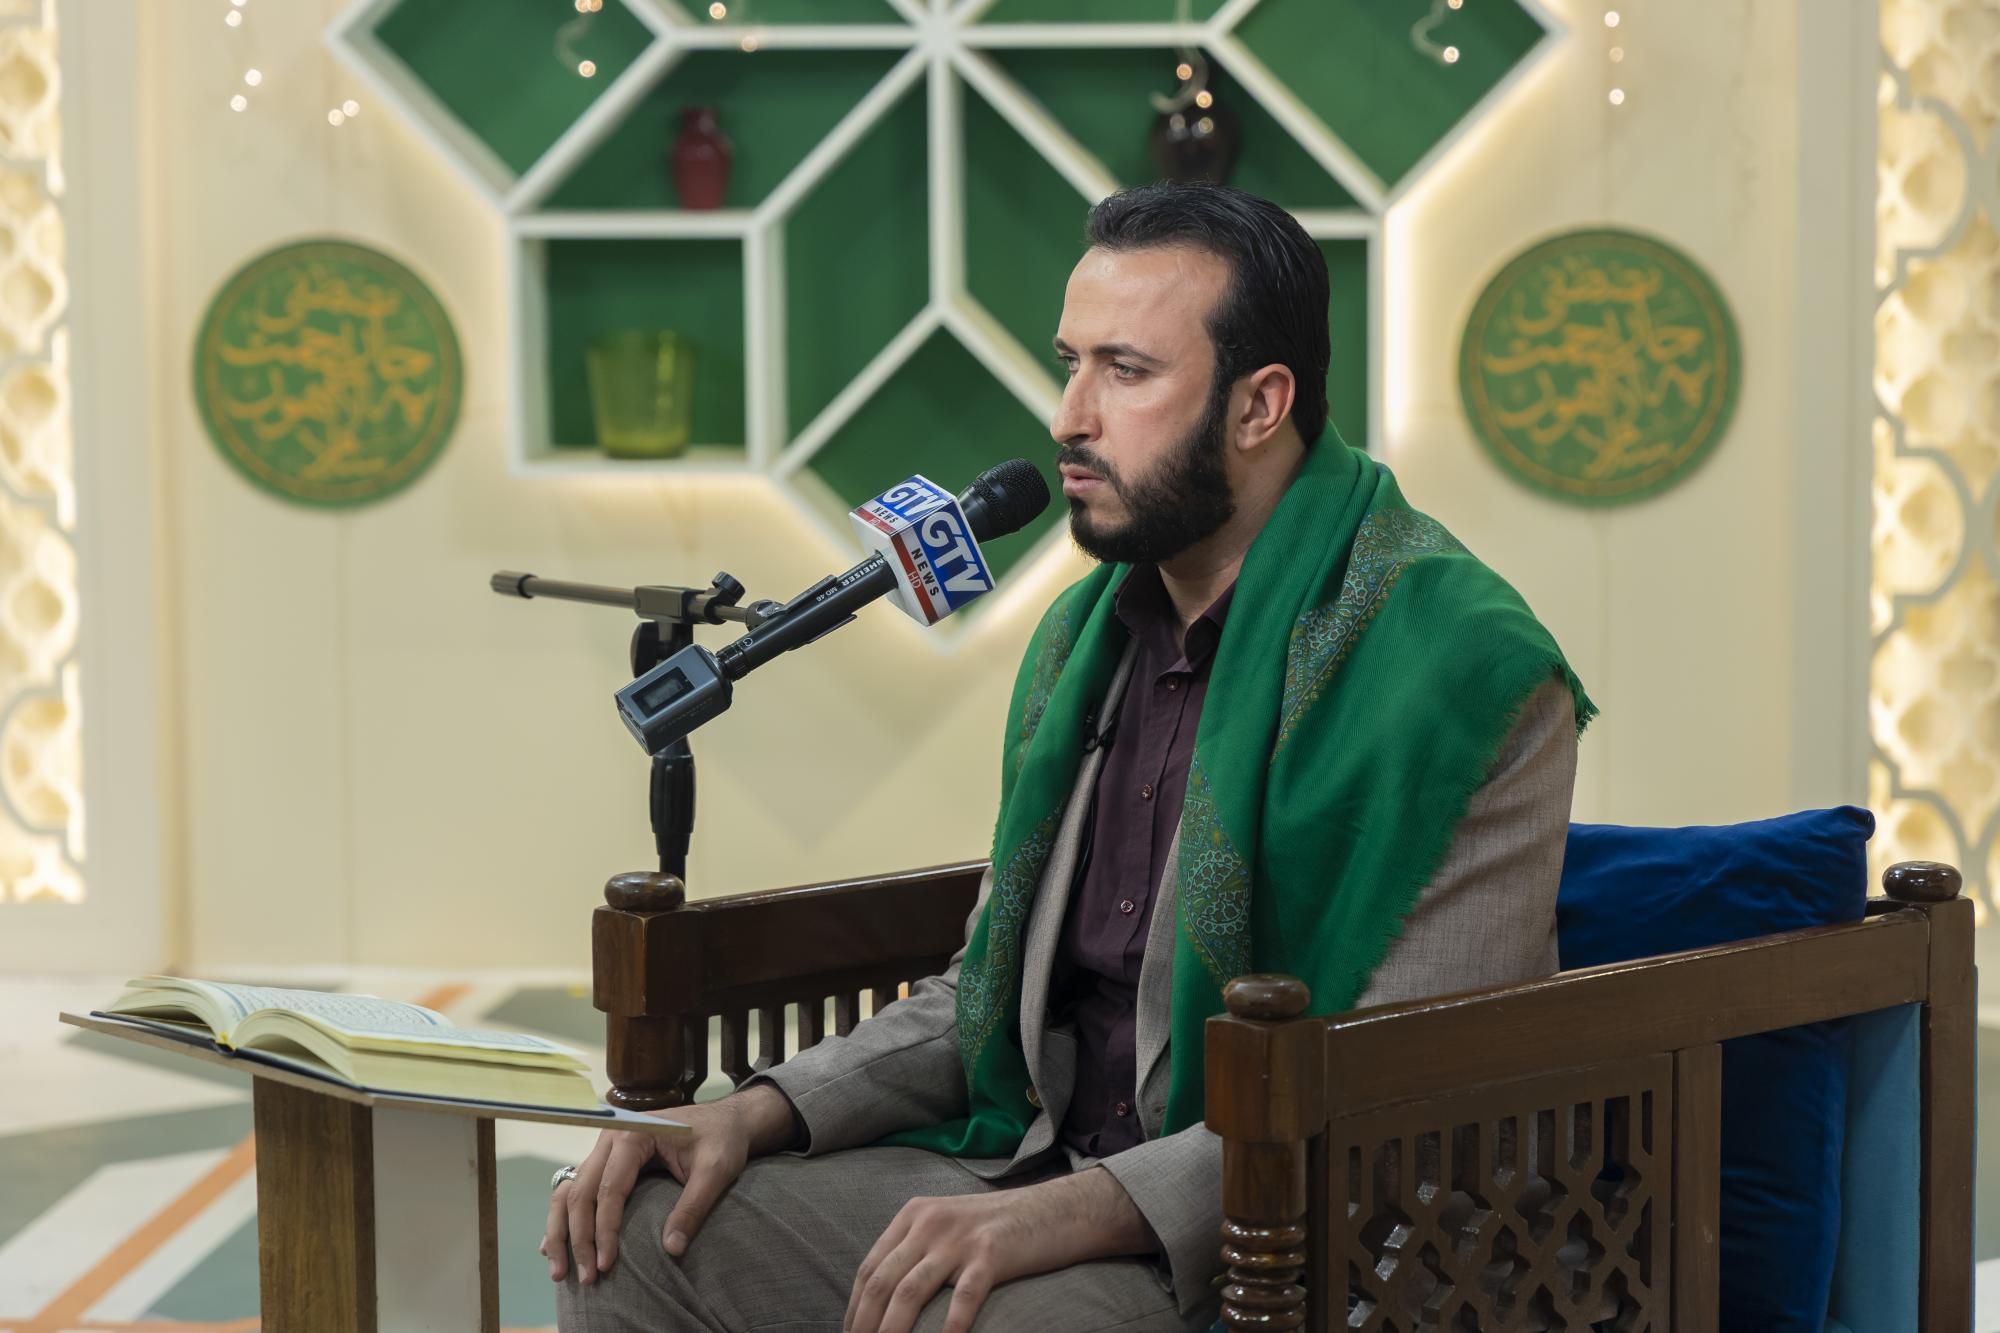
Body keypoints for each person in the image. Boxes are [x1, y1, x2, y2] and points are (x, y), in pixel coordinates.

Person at [545, 181, 1594, 1333]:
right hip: (1034, 1159)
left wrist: (1082, 1210)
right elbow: (983, 995)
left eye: (1124, 371)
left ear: (1258, 405)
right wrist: (753, 1110)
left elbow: (1410, 1080)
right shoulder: (1081, 638)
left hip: (1298, 1233)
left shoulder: (1464, 668)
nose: (1068, 417)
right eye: (1069, 364)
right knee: (629, 1236)